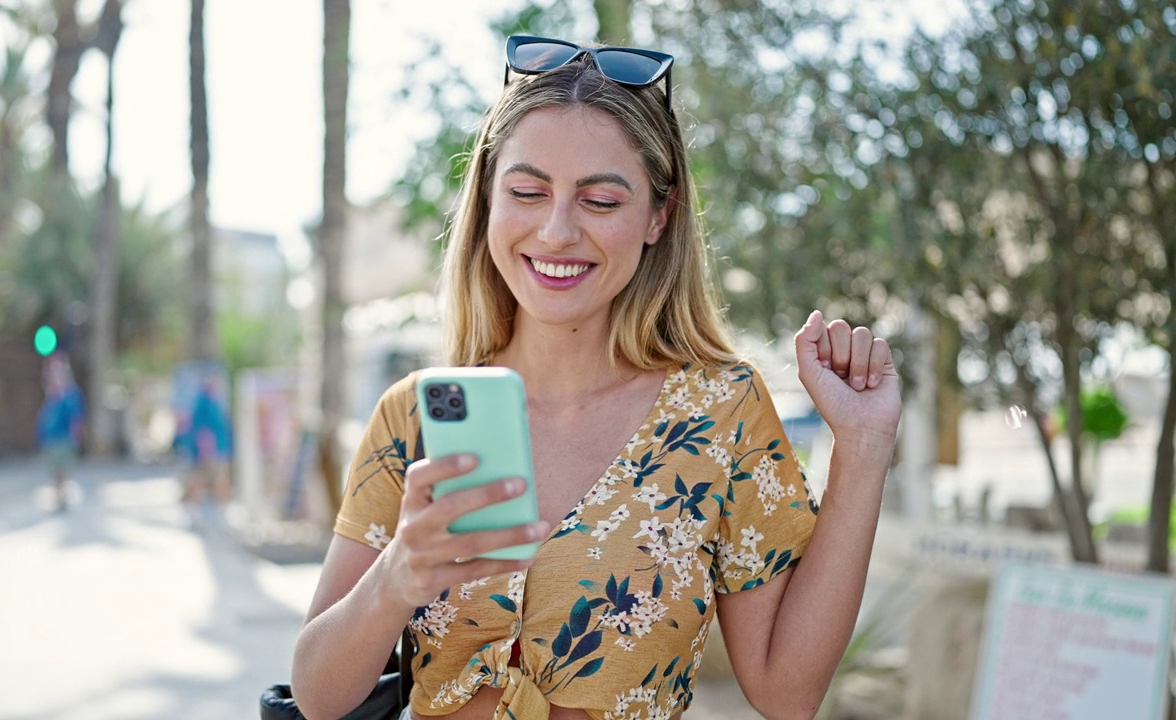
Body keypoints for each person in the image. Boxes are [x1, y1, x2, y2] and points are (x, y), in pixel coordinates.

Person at [293, 35, 901, 720]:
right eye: (527, 190)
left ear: (658, 216)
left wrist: (864, 448)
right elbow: (318, 698)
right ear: (489, 197)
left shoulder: (720, 413)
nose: (556, 231)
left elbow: (787, 694)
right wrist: (395, 578)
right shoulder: (417, 416)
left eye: (601, 201)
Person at [178, 375, 233, 528]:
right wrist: (206, 448)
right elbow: (200, 429)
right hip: (207, 451)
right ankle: (193, 511)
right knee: (201, 480)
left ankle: (222, 511)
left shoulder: (214, 401)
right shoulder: (203, 403)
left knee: (217, 480)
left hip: (216, 450)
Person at [36, 353, 85, 512]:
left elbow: (76, 417)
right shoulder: (52, 394)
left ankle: (61, 498)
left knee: (62, 470)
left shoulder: (70, 394)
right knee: (54, 471)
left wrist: (75, 436)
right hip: (51, 438)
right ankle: (58, 497)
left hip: (64, 438)